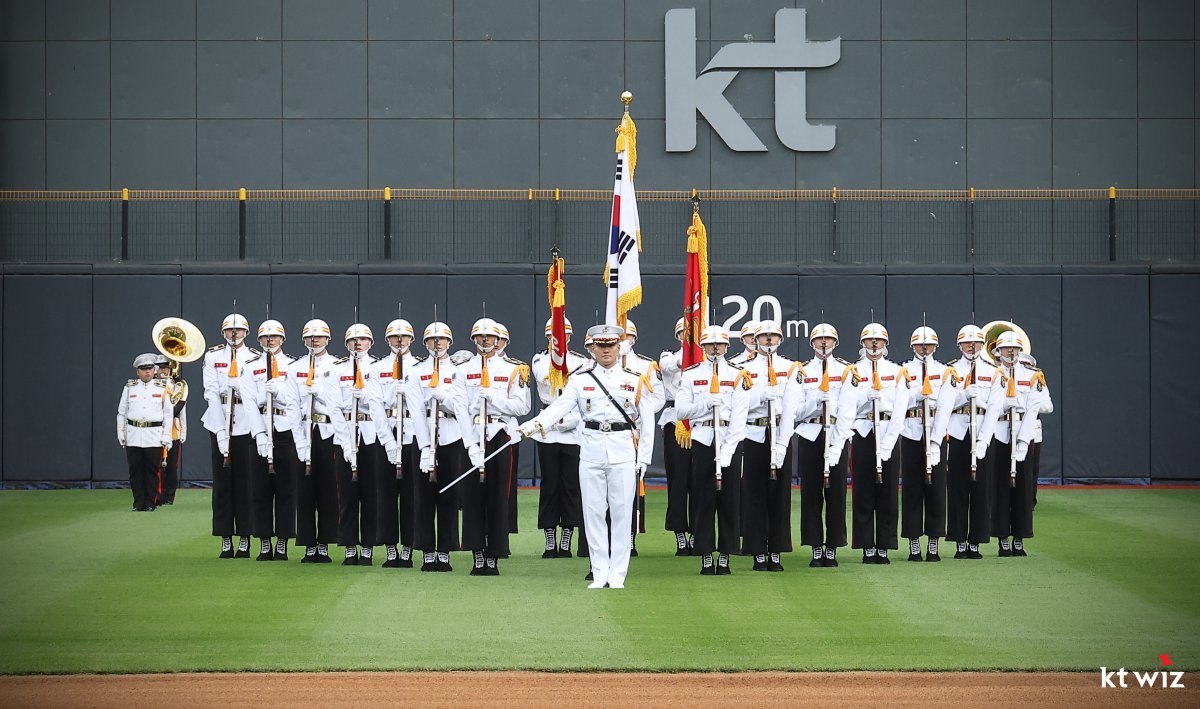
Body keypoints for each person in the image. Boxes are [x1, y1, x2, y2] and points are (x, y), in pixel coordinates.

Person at [518, 324, 656, 589]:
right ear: (592, 349)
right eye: (600, 346)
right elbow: (560, 406)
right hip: (591, 448)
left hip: (623, 449)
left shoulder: (634, 379)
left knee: (621, 513)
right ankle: (599, 571)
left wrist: (644, 459)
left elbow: (647, 421)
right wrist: (534, 424)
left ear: (619, 347)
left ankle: (617, 575)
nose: (606, 351)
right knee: (593, 512)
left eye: (611, 346)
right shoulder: (581, 379)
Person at [674, 325, 752, 575]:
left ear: (728, 347)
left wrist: (729, 450)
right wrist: (706, 403)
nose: (715, 349)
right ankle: (706, 554)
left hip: (730, 438)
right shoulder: (690, 374)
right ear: (703, 347)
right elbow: (681, 411)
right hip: (704, 438)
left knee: (730, 499)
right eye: (710, 345)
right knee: (703, 498)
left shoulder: (740, 374)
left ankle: (726, 554)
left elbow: (740, 416)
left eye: (719, 345)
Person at [460, 318, 531, 576]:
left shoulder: (514, 369)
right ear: (474, 340)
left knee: (498, 497)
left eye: (490, 337)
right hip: (472, 435)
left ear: (500, 341)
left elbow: (522, 407)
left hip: (501, 434)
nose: (486, 341)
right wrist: (470, 446)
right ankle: (477, 553)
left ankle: (494, 555)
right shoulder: (462, 369)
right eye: (480, 337)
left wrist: (495, 398)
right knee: (473, 498)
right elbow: (459, 408)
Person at [834, 323, 909, 565]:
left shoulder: (897, 372)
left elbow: (900, 410)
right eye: (869, 340)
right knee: (863, 491)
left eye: (878, 340)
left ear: (886, 344)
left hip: (888, 431)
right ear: (862, 343)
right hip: (863, 431)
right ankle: (867, 545)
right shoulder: (853, 372)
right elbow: (846, 407)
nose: (874, 344)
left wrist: (889, 442)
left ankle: (885, 545)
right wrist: (866, 400)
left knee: (888, 492)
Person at [785, 323, 857, 568]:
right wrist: (816, 401)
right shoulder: (802, 371)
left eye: (828, 339)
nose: (823, 343)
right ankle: (816, 546)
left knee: (836, 492)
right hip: (811, 433)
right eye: (819, 339)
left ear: (836, 343)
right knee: (812, 493)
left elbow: (850, 409)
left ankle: (833, 547)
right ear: (812, 343)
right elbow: (795, 411)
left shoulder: (847, 370)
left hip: (836, 433)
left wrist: (836, 420)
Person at [975, 331, 1050, 557]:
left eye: (1014, 349)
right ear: (997, 352)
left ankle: (1019, 537)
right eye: (1006, 349)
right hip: (999, 431)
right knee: (999, 487)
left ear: (1020, 351)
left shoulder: (1033, 375)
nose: (1010, 352)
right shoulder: (993, 375)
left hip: (1024, 433)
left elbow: (1048, 405)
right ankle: (1002, 539)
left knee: (1024, 488)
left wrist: (1025, 404)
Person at [409, 321, 478, 572]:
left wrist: (444, 398)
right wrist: (425, 446)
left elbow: (464, 406)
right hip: (426, 435)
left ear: (450, 343)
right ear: (425, 343)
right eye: (431, 340)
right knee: (424, 497)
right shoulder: (416, 372)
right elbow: (415, 411)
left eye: (441, 340)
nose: (436, 344)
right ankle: (428, 551)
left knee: (449, 495)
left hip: (452, 435)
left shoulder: (460, 370)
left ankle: (445, 550)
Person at [201, 313, 267, 559]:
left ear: (246, 333)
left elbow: (259, 394)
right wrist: (219, 430)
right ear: (223, 333)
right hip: (220, 419)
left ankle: (245, 538)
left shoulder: (255, 358)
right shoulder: (212, 356)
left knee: (246, 483)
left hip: (246, 422)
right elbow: (210, 393)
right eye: (230, 330)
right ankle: (225, 538)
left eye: (239, 330)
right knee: (223, 484)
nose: (234, 334)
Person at [930, 325, 996, 560]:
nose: (972, 346)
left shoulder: (993, 371)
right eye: (967, 343)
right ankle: (959, 540)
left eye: (977, 343)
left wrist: (985, 440)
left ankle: (976, 541)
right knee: (957, 487)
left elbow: (996, 407)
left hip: (982, 431)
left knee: (982, 488)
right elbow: (944, 406)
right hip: (958, 431)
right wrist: (963, 394)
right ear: (959, 346)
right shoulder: (952, 372)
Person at [239, 319, 299, 561]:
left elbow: (297, 400)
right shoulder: (250, 366)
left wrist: (281, 392)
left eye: (274, 337)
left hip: (285, 429)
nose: (270, 341)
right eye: (265, 337)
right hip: (261, 429)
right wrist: (260, 434)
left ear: (282, 340)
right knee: (260, 490)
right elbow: (249, 403)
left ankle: (283, 541)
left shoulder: (293, 365)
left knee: (286, 490)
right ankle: (264, 541)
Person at [740, 321, 797, 571]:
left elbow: (794, 407)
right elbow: (739, 403)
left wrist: (783, 443)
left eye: (773, 337)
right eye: (764, 337)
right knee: (754, 495)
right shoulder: (744, 369)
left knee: (780, 495)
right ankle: (757, 551)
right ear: (756, 340)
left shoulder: (791, 368)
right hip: (754, 432)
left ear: (780, 340)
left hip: (780, 432)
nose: (769, 341)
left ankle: (776, 550)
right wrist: (759, 395)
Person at [530, 317, 589, 558]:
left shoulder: (582, 361)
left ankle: (567, 537)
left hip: (573, 429)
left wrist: (572, 419)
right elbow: (548, 377)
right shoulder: (540, 360)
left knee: (570, 486)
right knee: (549, 485)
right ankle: (549, 537)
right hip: (548, 429)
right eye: (555, 335)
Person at [286, 319, 344, 564]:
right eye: (310, 338)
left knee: (329, 489)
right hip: (306, 429)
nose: (315, 341)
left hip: (329, 430)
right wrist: (299, 441)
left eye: (319, 337)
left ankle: (325, 543)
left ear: (328, 339)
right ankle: (309, 544)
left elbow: (341, 400)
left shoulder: (338, 365)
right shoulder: (294, 367)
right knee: (305, 490)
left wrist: (320, 392)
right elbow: (290, 404)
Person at [373, 317, 428, 568]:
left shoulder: (420, 367)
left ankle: (408, 547)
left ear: (411, 340)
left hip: (412, 435)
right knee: (385, 495)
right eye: (394, 337)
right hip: (387, 433)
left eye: (404, 337)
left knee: (410, 495)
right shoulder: (377, 367)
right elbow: (375, 405)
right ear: (387, 340)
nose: (399, 341)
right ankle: (390, 548)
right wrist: (386, 441)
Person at [897, 326, 954, 562]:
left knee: (937, 489)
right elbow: (898, 400)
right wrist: (915, 395)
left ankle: (933, 542)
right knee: (911, 489)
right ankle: (913, 543)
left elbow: (949, 403)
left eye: (928, 345)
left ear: (935, 347)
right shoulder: (904, 370)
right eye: (920, 345)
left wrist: (937, 439)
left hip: (936, 433)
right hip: (911, 431)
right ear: (912, 347)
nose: (924, 349)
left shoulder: (943, 371)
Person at [617, 319, 665, 556]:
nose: (623, 342)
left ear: (634, 339)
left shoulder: (646, 365)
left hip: (635, 428)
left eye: (627, 337)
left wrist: (640, 409)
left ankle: (631, 536)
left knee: (634, 485)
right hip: (612, 429)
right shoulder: (603, 364)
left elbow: (659, 397)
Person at [117, 353, 174, 512]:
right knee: (135, 471)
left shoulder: (162, 388)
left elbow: (168, 414)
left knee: (151, 471)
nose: (147, 372)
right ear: (137, 371)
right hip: (133, 433)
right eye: (143, 369)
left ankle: (150, 502)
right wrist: (121, 432)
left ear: (154, 370)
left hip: (153, 434)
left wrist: (166, 436)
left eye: (149, 368)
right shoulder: (129, 387)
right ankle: (138, 502)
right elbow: (122, 412)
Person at [658, 318, 695, 555]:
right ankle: (680, 533)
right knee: (679, 480)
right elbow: (671, 366)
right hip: (675, 420)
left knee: (700, 482)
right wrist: (692, 352)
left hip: (700, 421)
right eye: (683, 332)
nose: (687, 335)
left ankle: (698, 532)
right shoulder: (668, 356)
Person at [152, 354, 186, 507]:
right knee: (157, 465)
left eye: (166, 368)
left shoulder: (175, 385)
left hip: (173, 430)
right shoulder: (150, 385)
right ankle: (157, 495)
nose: (163, 371)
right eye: (160, 368)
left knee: (171, 466)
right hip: (154, 430)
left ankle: (169, 496)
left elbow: (181, 409)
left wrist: (183, 430)